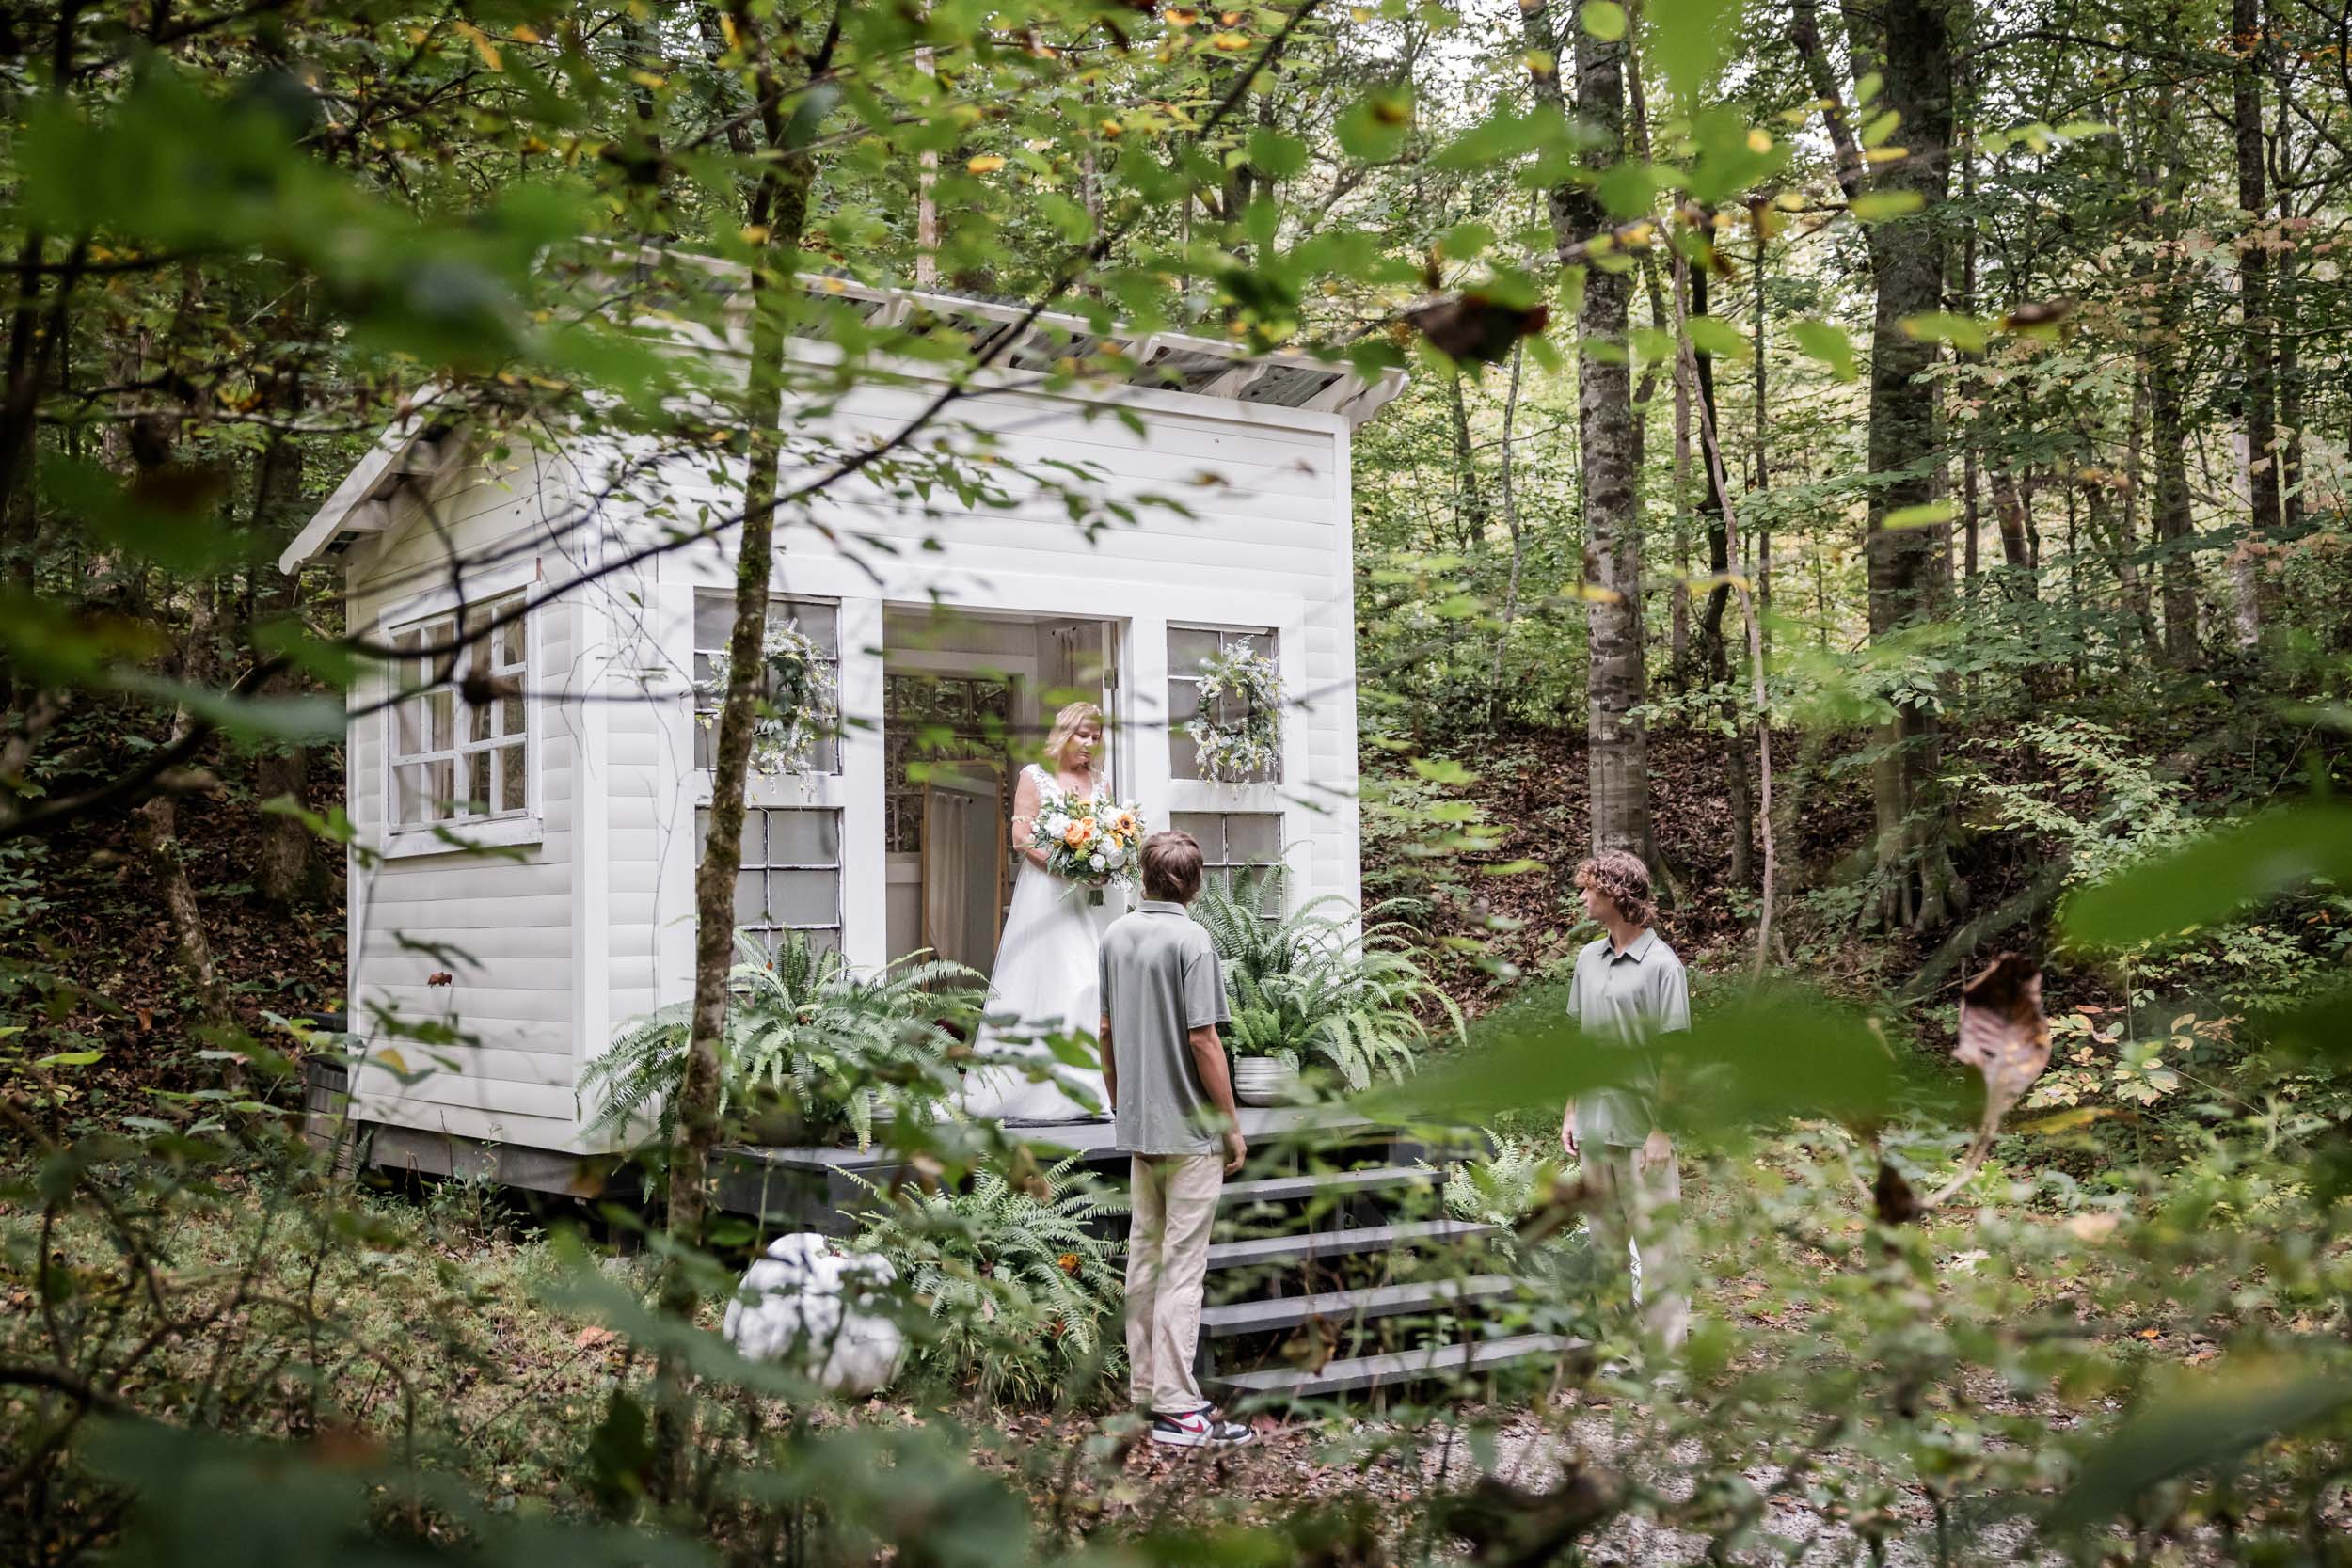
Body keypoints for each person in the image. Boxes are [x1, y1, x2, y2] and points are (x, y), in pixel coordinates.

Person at [1099, 830, 1253, 1449]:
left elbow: (1105, 1030)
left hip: (1141, 1128)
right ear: (1193, 883)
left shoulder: (1115, 935)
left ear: (1143, 874)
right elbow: (1203, 1039)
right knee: (1183, 1269)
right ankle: (1178, 1408)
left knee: (1145, 1258)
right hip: (1190, 1132)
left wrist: (1121, 1103)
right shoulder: (1193, 940)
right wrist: (1231, 1125)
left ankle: (1144, 1394)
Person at [958, 701, 1120, 1123]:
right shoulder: (1035, 776)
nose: (1089, 744)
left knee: (1095, 984)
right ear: (1064, 733)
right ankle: (1046, 1088)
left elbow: (1111, 834)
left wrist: (1105, 863)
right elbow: (1022, 839)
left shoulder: (1101, 782)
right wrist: (1069, 869)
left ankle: (1092, 1088)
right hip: (1048, 897)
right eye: (1083, 735)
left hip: (1091, 900)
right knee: (1066, 979)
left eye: (1096, 737)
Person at [1559, 848, 1692, 1349]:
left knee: (1658, 1253)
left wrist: (1662, 1129)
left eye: (1589, 888)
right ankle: (1619, 1353)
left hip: (1642, 1133)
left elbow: (1677, 1057)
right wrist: (1571, 1110)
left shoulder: (1662, 966)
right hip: (1594, 1128)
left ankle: (1668, 1362)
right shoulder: (1587, 960)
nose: (1582, 897)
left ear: (1616, 894)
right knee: (1606, 1251)